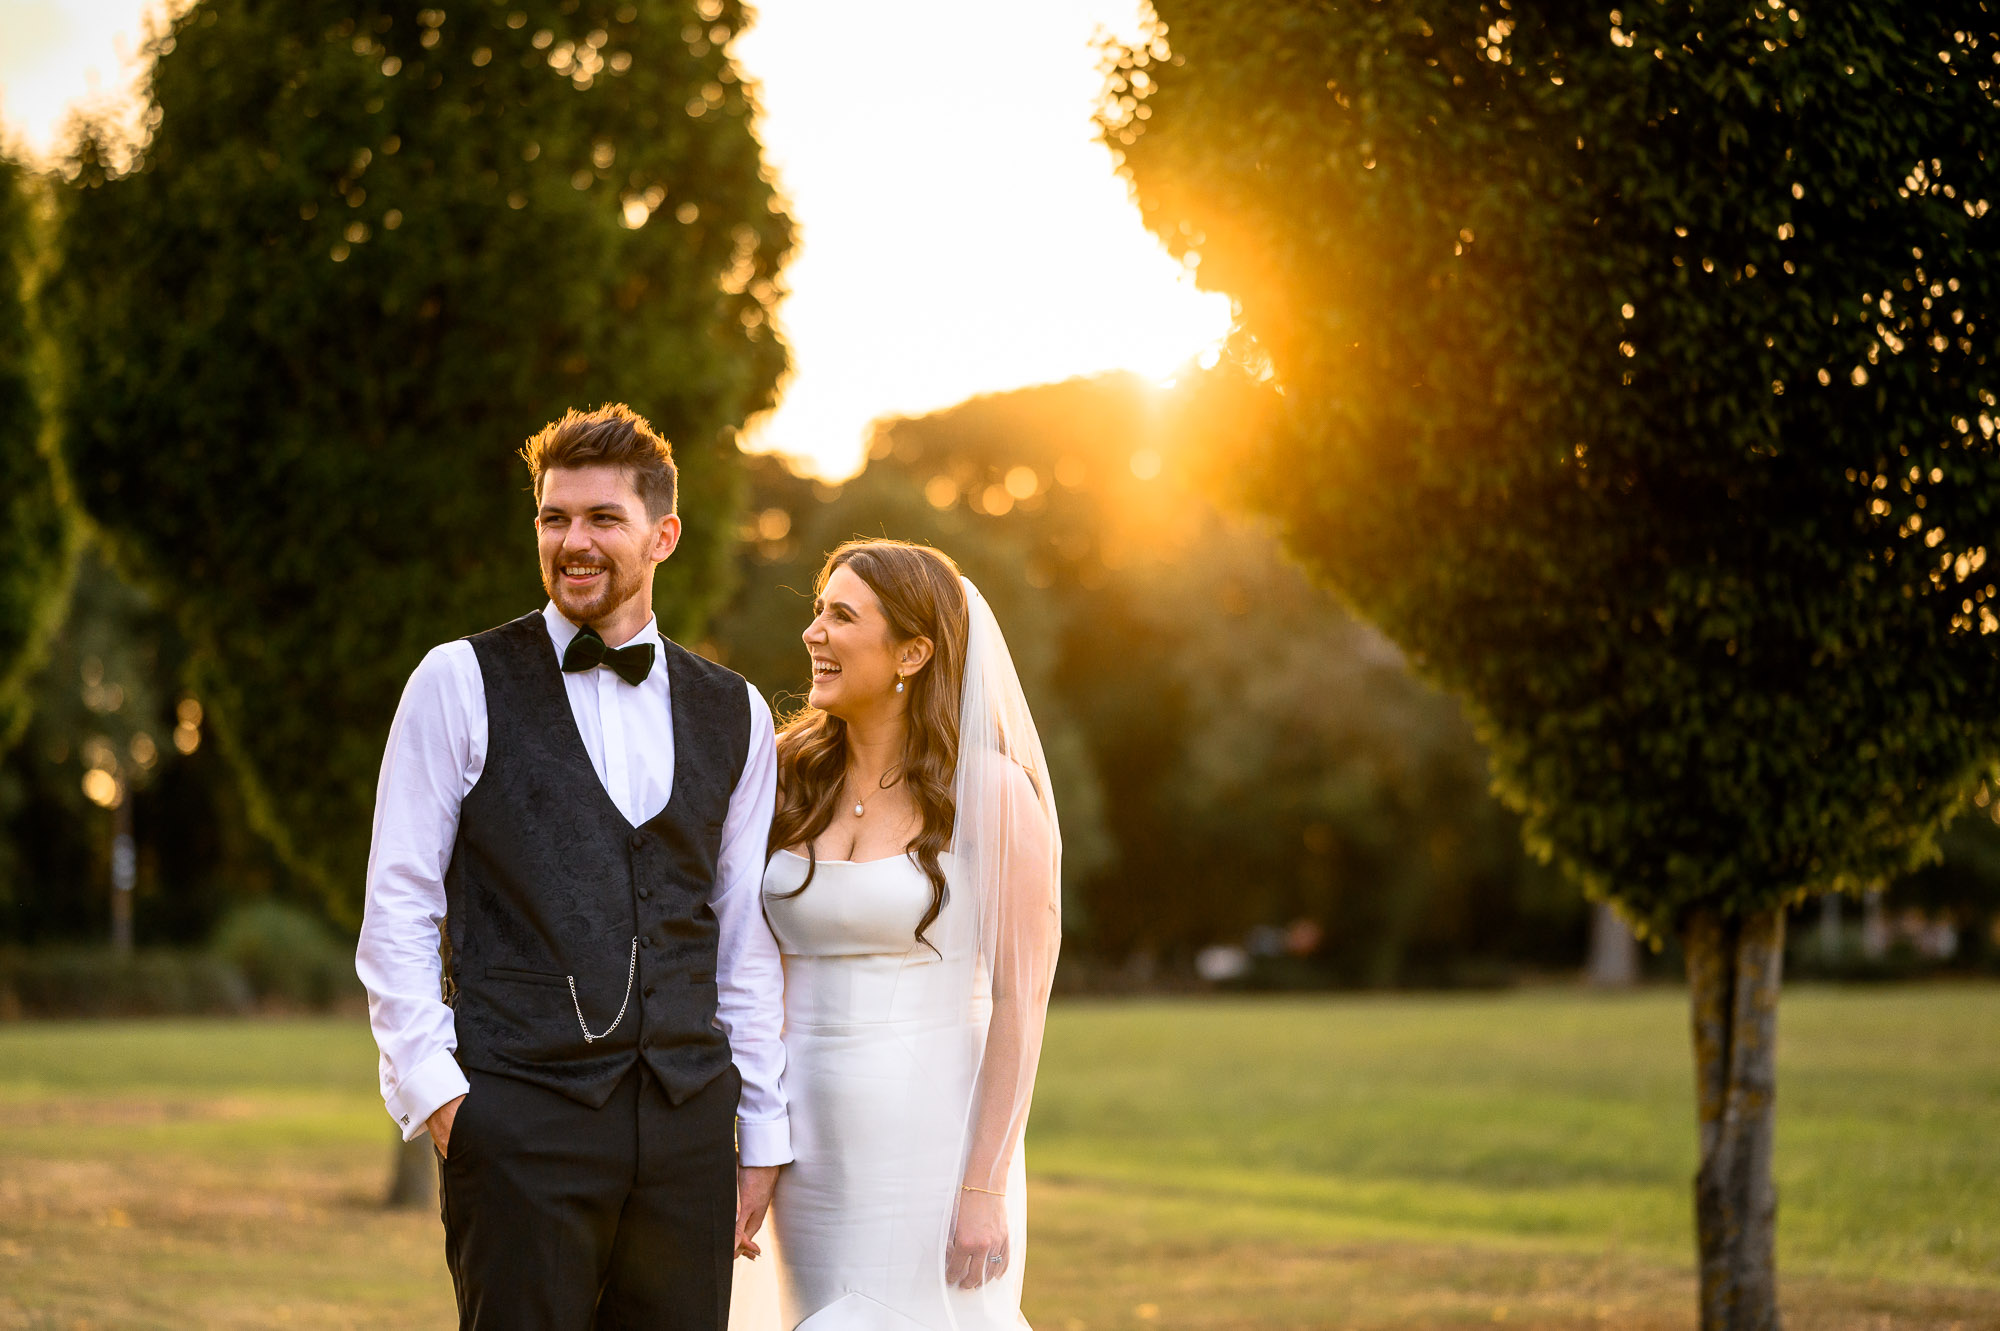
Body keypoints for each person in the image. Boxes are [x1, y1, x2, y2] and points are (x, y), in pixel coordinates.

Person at [356, 403, 790, 1330]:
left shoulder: (739, 712)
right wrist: (441, 1098)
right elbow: (396, 901)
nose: (572, 542)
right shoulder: (458, 679)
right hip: (519, 1122)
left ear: (664, 534)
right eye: (554, 517)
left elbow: (743, 939)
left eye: (602, 519)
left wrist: (757, 1133)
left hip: (687, 1128)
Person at [734, 539, 1062, 1330]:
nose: (814, 632)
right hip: (802, 1144)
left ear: (912, 651)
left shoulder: (992, 794)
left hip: (933, 1146)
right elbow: (743, 968)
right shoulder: (779, 778)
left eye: (842, 615)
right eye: (817, 611)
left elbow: (1023, 1001)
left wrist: (982, 1182)